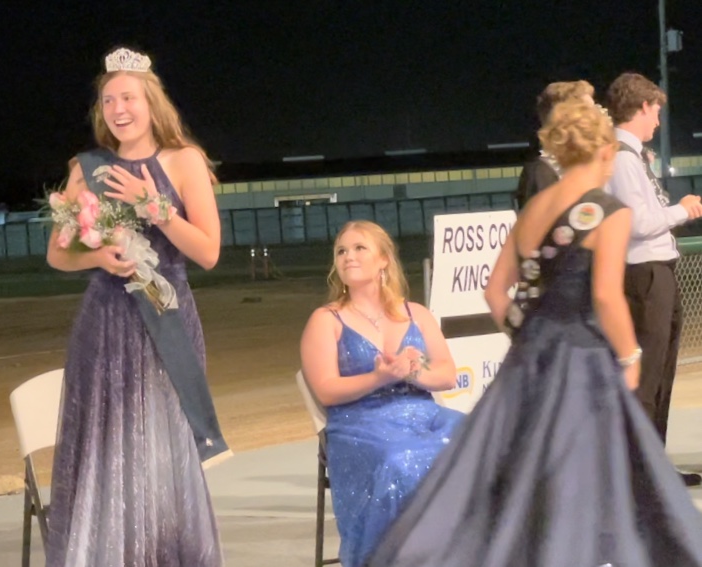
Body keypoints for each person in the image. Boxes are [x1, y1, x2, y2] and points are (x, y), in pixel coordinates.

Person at [368, 99, 702, 566]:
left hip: (528, 360)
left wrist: (531, 333)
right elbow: (606, 296)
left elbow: (494, 292)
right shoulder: (609, 210)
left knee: (529, 474)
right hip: (583, 359)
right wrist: (630, 355)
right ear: (604, 150)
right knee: (592, 475)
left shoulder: (535, 208)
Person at [44, 47, 227, 566]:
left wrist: (153, 207)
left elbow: (209, 253)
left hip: (165, 317)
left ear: (151, 103)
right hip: (105, 319)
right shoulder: (86, 169)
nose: (118, 109)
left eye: (128, 98)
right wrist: (98, 256)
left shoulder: (185, 161)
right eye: (108, 101)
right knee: (106, 443)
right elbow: (58, 253)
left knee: (162, 447)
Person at [299, 220, 464, 567]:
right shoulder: (326, 320)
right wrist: (378, 378)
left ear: (384, 259)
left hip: (422, 414)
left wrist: (414, 372)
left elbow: (447, 375)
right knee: (400, 460)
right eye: (341, 251)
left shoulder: (417, 314)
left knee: (480, 439)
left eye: (359, 248)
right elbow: (326, 390)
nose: (348, 256)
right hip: (359, 424)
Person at [604, 72, 702, 486]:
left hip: (658, 273)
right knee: (645, 378)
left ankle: (654, 468)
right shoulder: (622, 159)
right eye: (656, 112)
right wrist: (683, 210)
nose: (658, 122)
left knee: (662, 374)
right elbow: (638, 222)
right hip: (642, 276)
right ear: (642, 107)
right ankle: (638, 474)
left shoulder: (634, 156)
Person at [515, 80, 596, 208]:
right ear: (563, 120)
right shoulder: (542, 173)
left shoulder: (589, 167)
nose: (598, 121)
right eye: (588, 114)